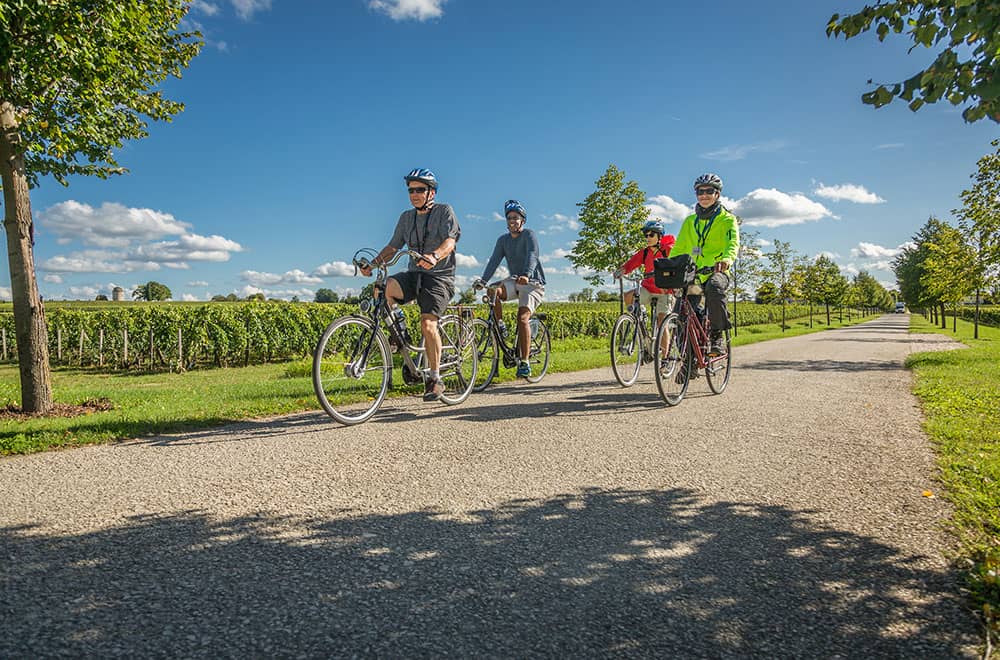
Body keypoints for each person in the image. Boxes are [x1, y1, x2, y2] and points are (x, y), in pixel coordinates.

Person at [360, 168, 461, 402]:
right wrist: (373, 265)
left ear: (432, 192)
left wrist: (435, 256)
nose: (414, 194)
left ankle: (435, 379)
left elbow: (450, 242)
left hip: (439, 277)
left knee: (427, 324)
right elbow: (393, 247)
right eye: (410, 190)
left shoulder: (445, 211)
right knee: (381, 288)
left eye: (420, 190)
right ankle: (400, 332)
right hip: (414, 274)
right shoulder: (406, 218)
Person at [473, 199, 545, 378]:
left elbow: (532, 255)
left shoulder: (529, 235)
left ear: (522, 220)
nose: (512, 221)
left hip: (532, 283)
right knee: (492, 291)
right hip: (515, 280)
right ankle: (500, 325)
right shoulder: (503, 240)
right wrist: (483, 280)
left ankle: (525, 361)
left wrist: (527, 274)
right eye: (509, 218)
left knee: (522, 318)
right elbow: (494, 260)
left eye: (515, 218)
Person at [669, 173, 739, 356]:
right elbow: (678, 248)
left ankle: (717, 335)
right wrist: (668, 266)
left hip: (716, 270)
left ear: (717, 194)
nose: (704, 195)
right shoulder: (690, 221)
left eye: (709, 191)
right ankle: (689, 361)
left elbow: (732, 244)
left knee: (715, 288)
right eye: (700, 191)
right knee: (680, 312)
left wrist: (726, 260)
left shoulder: (727, 220)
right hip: (694, 275)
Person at [615, 219, 676, 334]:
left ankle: (665, 352)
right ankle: (640, 315)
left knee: (662, 323)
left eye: (651, 235)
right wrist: (621, 270)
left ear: (660, 236)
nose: (648, 238)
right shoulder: (645, 252)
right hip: (648, 289)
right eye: (646, 235)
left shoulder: (668, 251)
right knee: (628, 296)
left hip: (665, 291)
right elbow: (631, 263)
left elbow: (676, 267)